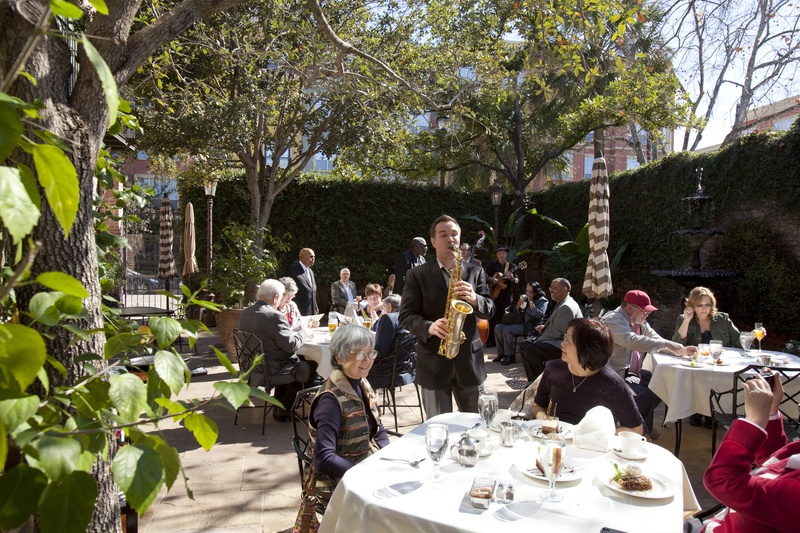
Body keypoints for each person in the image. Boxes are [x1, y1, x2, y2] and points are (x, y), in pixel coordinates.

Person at [399, 214, 495, 417]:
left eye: (454, 235)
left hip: (469, 363)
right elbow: (406, 315)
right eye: (443, 235)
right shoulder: (417, 274)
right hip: (434, 361)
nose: (450, 239)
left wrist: (475, 298)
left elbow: (489, 308)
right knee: (439, 430)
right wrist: (429, 327)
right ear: (433, 241)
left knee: (477, 427)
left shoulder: (475, 271)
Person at [703, 373, 798, 533]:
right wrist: (770, 413)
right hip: (720, 522)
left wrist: (754, 421)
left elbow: (722, 480)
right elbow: (775, 465)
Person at [309, 325, 390, 500]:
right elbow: (323, 458)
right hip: (338, 481)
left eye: (371, 353)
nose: (368, 360)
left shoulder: (362, 383)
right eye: (360, 354)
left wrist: (390, 456)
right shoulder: (330, 400)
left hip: (364, 463)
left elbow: (378, 427)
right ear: (339, 357)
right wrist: (364, 473)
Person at [602, 289, 692, 436]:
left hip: (628, 371)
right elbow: (631, 340)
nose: (647, 315)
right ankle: (640, 432)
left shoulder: (640, 322)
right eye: (644, 311)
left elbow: (656, 340)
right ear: (630, 308)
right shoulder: (614, 319)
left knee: (661, 381)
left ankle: (637, 424)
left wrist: (680, 350)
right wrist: (666, 344)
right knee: (645, 394)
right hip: (612, 373)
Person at [532, 318, 644, 433]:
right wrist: (545, 422)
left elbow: (636, 429)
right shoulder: (554, 369)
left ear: (587, 349)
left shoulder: (612, 385)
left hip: (589, 448)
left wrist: (598, 434)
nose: (562, 344)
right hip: (553, 442)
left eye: (569, 340)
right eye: (565, 338)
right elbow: (538, 405)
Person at [238, 279, 315, 421]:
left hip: (250, 367)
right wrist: (304, 333)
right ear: (275, 298)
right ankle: (284, 408)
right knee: (310, 365)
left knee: (289, 360)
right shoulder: (275, 316)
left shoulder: (245, 313)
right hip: (272, 369)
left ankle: (279, 405)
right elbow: (291, 345)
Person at [673, 286, 742, 428]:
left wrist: (752, 336)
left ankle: (713, 412)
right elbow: (677, 343)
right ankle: (697, 410)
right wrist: (686, 320)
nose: (705, 309)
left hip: (718, 362)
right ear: (692, 306)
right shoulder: (684, 319)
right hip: (696, 364)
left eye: (708, 305)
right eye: (700, 305)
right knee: (700, 378)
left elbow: (738, 340)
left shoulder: (722, 319)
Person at [520, 278, 583, 382]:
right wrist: (544, 329)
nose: (551, 290)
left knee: (531, 350)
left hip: (564, 343)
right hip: (558, 338)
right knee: (524, 345)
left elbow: (555, 333)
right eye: (550, 287)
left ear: (564, 289)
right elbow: (557, 327)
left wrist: (538, 339)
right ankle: (533, 381)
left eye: (554, 288)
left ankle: (541, 384)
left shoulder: (566, 307)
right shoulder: (562, 302)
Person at [492, 281, 548, 366]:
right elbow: (519, 310)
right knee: (498, 328)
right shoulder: (524, 297)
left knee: (508, 330)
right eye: (527, 291)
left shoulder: (542, 301)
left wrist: (531, 301)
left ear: (536, 291)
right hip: (519, 321)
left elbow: (539, 314)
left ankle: (509, 356)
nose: (528, 293)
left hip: (530, 326)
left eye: (530, 291)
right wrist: (518, 306)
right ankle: (501, 353)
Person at [369, 293, 416, 389]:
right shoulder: (412, 318)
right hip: (407, 369)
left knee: (354, 366)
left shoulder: (388, 318)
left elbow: (380, 352)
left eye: (383, 308)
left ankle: (365, 402)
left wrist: (365, 349)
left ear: (389, 307)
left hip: (386, 372)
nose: (382, 312)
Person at [484, 246, 518, 347]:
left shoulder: (511, 266)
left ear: (506, 254)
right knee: (492, 317)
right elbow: (484, 276)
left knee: (505, 317)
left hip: (506, 296)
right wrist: (491, 280)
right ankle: (491, 340)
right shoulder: (492, 265)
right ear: (497, 255)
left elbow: (517, 281)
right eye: (499, 253)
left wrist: (511, 278)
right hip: (493, 294)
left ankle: (503, 342)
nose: (501, 255)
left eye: (503, 253)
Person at [284, 248, 318, 316]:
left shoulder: (310, 272)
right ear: (302, 257)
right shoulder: (293, 271)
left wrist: (315, 306)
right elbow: (287, 291)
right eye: (311, 256)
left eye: (314, 257)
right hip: (299, 311)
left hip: (311, 311)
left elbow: (312, 291)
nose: (313, 259)